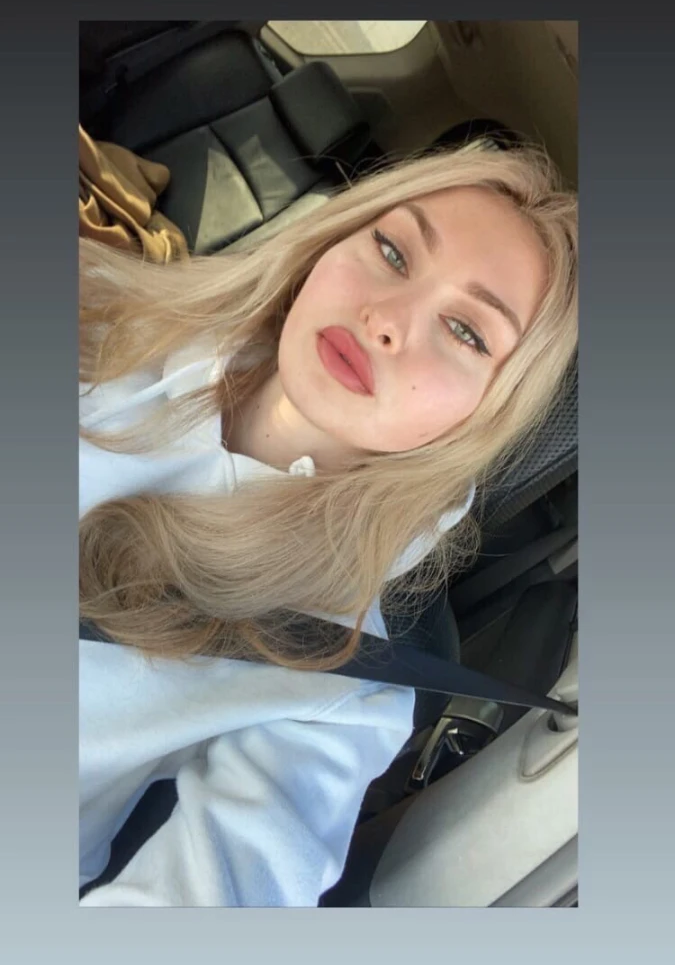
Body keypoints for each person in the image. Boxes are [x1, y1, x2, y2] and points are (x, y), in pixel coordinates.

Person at [78, 142, 578, 907]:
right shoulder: (109, 312)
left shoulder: (339, 680)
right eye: (392, 251)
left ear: (485, 417)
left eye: (466, 331)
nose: (386, 319)